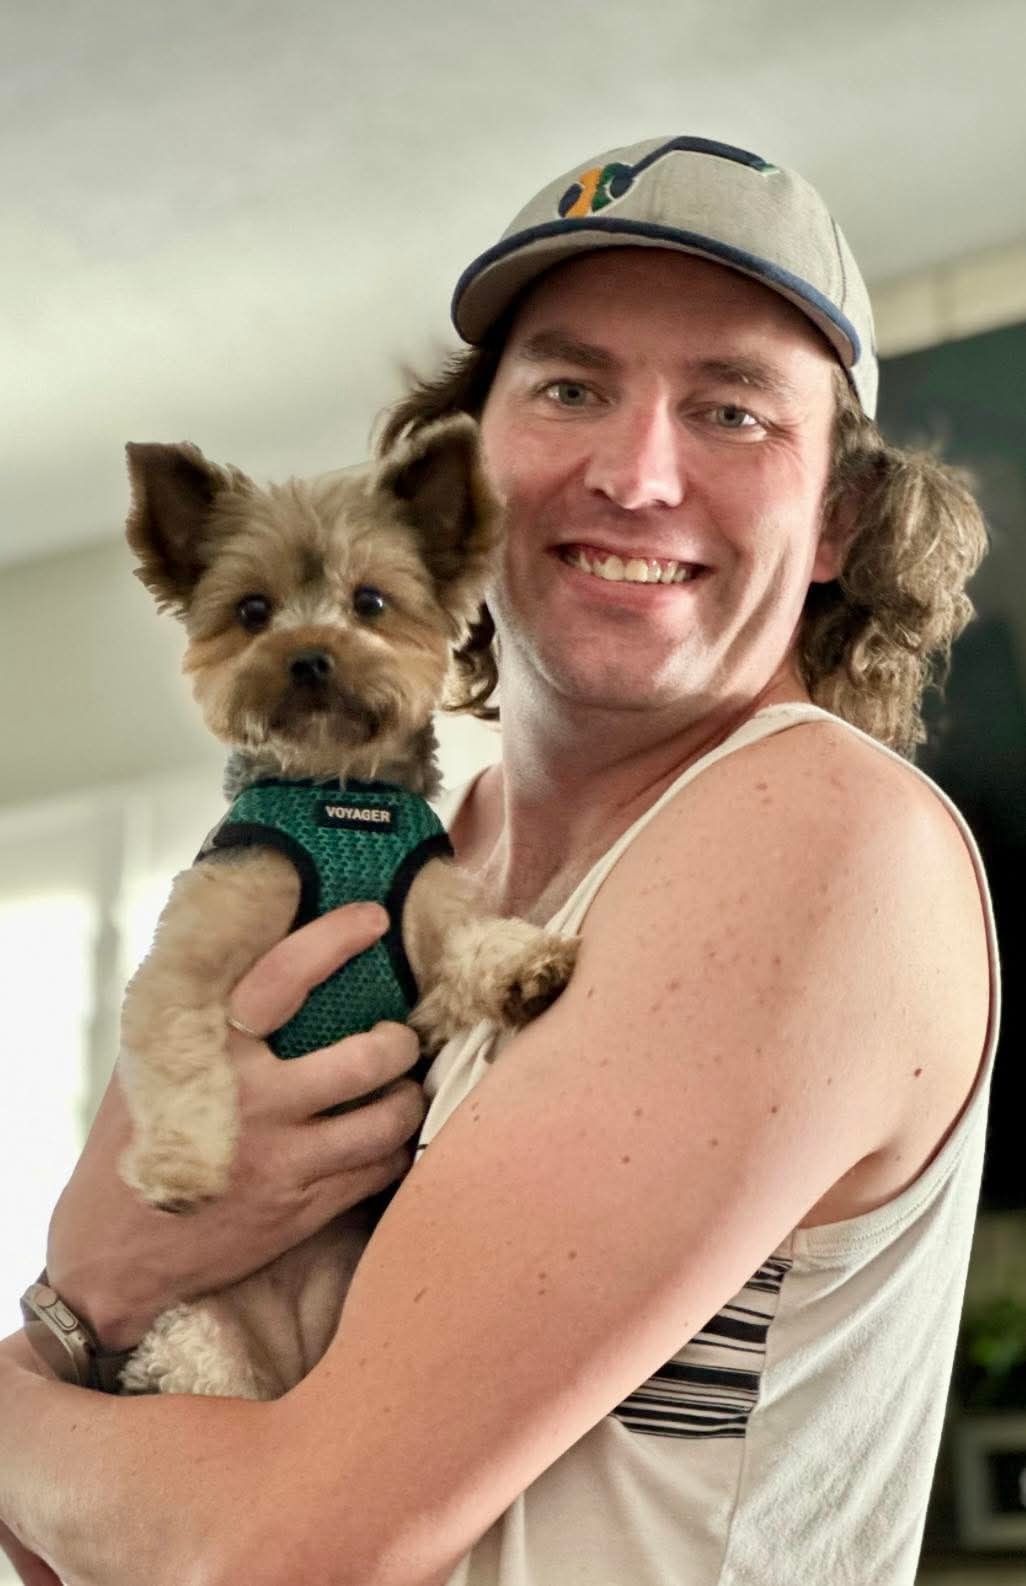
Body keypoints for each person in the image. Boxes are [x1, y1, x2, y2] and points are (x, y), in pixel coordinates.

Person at [0, 135, 998, 1586]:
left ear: (838, 518)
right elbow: (76, 1527)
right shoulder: (391, 864)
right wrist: (90, 1295)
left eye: (731, 411)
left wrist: (27, 1373)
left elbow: (280, 1546)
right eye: (570, 389)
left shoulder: (822, 833)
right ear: (469, 477)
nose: (635, 474)